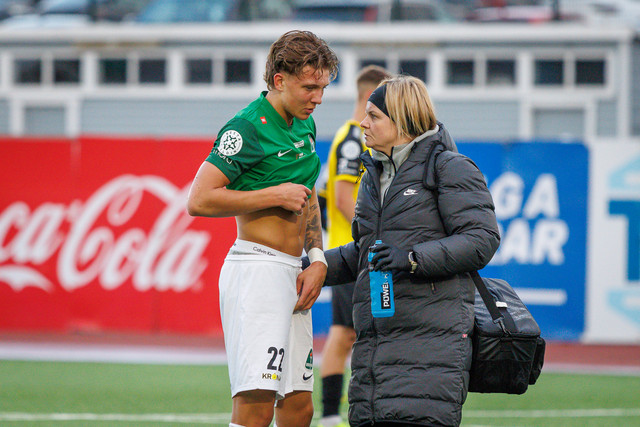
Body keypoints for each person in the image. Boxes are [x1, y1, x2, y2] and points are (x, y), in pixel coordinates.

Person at [321, 75, 501, 427]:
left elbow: (482, 239)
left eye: (374, 116)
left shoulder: (450, 167)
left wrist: (412, 258)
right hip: (374, 358)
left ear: (402, 121)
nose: (363, 123)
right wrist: (310, 266)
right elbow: (365, 252)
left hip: (428, 353)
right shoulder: (373, 176)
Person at [186, 30, 338, 427]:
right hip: (256, 271)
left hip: (294, 271)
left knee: (299, 407)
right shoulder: (246, 128)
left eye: (323, 88)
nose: (318, 98)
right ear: (279, 80)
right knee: (256, 405)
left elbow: (306, 197)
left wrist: (317, 259)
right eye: (310, 88)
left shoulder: (305, 124)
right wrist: (272, 195)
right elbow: (199, 199)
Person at [318, 65, 391, 427]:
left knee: (354, 332)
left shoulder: (356, 137)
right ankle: (331, 413)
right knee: (346, 333)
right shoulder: (352, 138)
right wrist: (372, 235)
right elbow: (343, 198)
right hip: (353, 252)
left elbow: (322, 195)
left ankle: (336, 411)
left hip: (359, 251)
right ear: (368, 97)